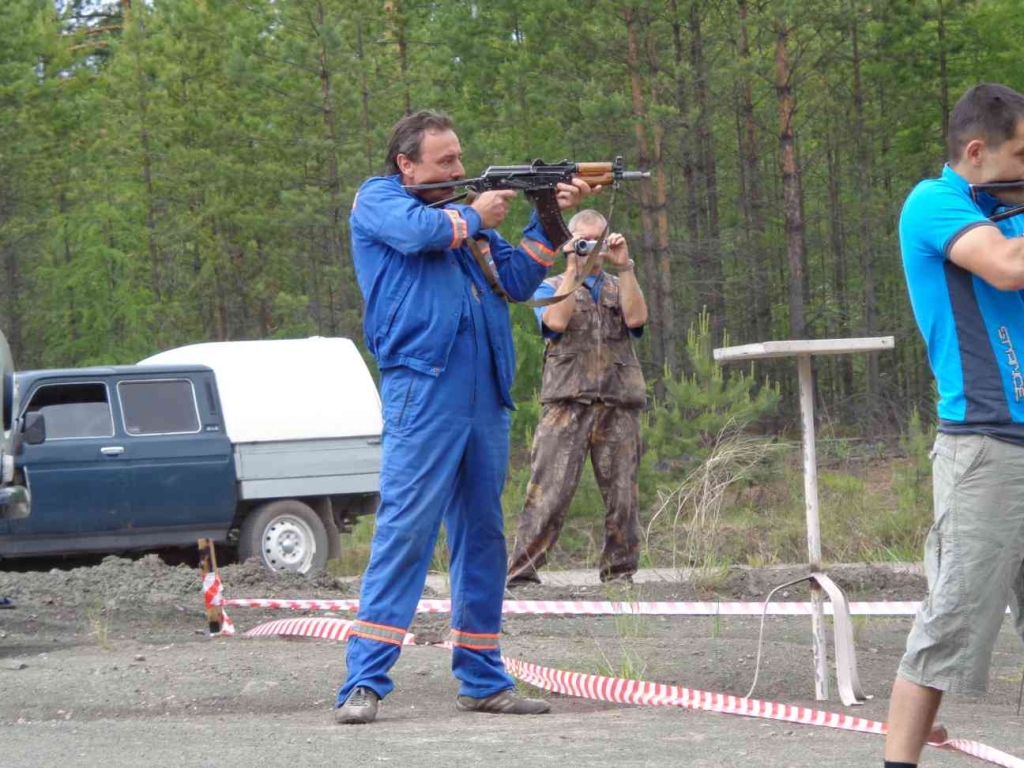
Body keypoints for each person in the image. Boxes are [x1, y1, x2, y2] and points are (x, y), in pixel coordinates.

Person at [335, 110, 594, 724]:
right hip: (422, 389)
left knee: (483, 536)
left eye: (458, 158)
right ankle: (363, 681)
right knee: (406, 532)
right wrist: (477, 211)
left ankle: (482, 678)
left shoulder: (463, 219)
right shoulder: (379, 200)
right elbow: (423, 234)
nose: (457, 168)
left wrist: (548, 214)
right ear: (407, 163)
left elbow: (520, 275)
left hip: (484, 391)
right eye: (445, 161)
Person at [886, 82, 1024, 767]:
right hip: (985, 443)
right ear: (977, 151)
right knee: (951, 622)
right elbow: (1004, 269)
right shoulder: (933, 202)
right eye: (1022, 154)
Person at [506, 209, 647, 587]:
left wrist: (626, 267)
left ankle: (620, 573)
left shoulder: (620, 285)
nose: (589, 250)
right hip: (566, 403)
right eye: (582, 241)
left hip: (618, 402)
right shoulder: (549, 285)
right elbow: (554, 322)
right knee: (547, 493)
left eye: (596, 242)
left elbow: (636, 320)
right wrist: (571, 268)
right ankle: (521, 575)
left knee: (623, 498)